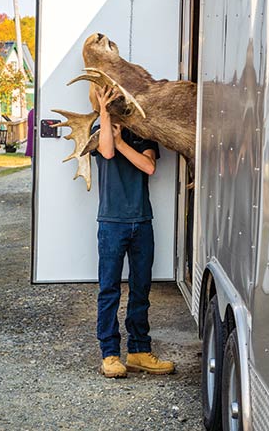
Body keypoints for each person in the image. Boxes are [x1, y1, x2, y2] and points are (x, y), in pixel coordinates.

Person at [93, 86, 175, 378]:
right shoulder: (98, 126)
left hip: (142, 222)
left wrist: (122, 140)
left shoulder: (145, 132)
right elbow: (105, 150)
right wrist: (104, 116)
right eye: (110, 99)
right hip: (112, 223)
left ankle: (139, 351)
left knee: (141, 289)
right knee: (109, 289)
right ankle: (111, 354)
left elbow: (148, 166)